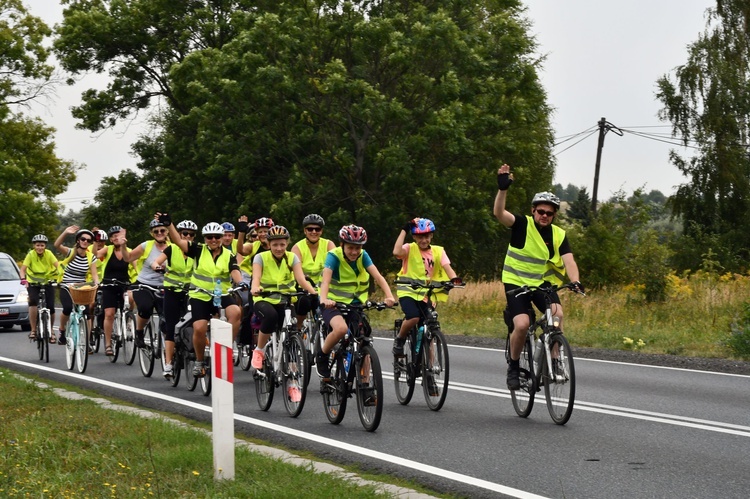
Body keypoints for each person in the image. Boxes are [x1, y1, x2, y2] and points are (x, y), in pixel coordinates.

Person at [493, 164, 583, 390]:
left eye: (549, 213)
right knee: (522, 325)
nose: (544, 216)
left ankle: (554, 360)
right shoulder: (522, 224)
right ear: (533, 210)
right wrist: (502, 190)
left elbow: (569, 260)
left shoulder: (558, 234)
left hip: (541, 283)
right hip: (516, 282)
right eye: (541, 212)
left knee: (557, 314)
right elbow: (499, 214)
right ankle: (514, 367)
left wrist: (575, 280)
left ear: (554, 215)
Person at [160, 215, 245, 378]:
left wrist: (241, 282)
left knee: (236, 312)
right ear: (205, 238)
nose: (213, 240)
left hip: (222, 293)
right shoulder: (198, 250)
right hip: (200, 294)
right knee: (199, 328)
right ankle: (199, 361)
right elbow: (178, 241)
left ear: (221, 238)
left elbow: (234, 270)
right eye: (209, 237)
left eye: (217, 237)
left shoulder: (228, 254)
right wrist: (169, 225)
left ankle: (227, 346)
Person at [316, 225, 396, 378]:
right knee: (340, 329)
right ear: (342, 245)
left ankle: (365, 385)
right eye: (350, 248)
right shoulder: (333, 256)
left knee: (364, 339)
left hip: (355, 303)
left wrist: (389, 296)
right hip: (333, 303)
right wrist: (324, 299)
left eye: (357, 248)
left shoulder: (363, 256)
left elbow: (378, 277)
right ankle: (322, 355)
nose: (354, 252)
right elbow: (325, 281)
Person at [250, 225, 318, 403]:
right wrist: (256, 287)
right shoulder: (260, 258)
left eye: (282, 244)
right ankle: (259, 351)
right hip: (264, 300)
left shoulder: (292, 258)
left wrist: (314, 293)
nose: (279, 248)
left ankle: (293, 384)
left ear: (287, 243)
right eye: (275, 245)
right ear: (269, 244)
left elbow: (301, 279)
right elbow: (256, 278)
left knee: (292, 340)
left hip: (286, 301)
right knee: (271, 318)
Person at [391, 217, 461, 358]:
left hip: (426, 293)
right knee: (413, 318)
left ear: (431, 236)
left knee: (429, 325)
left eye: (427, 236)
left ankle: (429, 368)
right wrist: (404, 229)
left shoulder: (438, 251)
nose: (424, 240)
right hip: (408, 291)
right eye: (420, 237)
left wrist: (454, 280)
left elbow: (447, 267)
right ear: (415, 237)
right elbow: (396, 252)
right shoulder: (409, 248)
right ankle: (400, 339)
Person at [150, 220, 196, 379]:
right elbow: (156, 261)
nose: (188, 237)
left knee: (197, 322)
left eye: (191, 234)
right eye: (184, 234)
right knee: (171, 326)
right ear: (179, 235)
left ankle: (199, 356)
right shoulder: (172, 249)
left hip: (191, 292)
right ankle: (168, 364)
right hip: (172, 292)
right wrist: (157, 266)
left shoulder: (197, 251)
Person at [121, 219, 169, 348]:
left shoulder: (173, 247)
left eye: (162, 230)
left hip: (164, 286)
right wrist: (123, 246)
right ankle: (139, 333)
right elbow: (128, 258)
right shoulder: (146, 246)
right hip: (144, 284)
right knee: (145, 308)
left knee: (167, 316)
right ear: (151, 233)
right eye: (156, 231)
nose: (159, 233)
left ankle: (169, 347)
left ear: (167, 231)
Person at [54, 226, 100, 346]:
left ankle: (88, 338)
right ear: (78, 240)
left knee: (87, 313)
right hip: (66, 285)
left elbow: (94, 275)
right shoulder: (70, 252)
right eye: (83, 239)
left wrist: (97, 284)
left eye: (88, 240)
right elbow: (57, 245)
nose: (85, 241)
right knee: (68, 308)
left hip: (81, 287)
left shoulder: (91, 257)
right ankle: (62, 330)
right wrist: (65, 232)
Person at [291, 213, 335, 327]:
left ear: (321, 231)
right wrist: (311, 290)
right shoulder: (297, 247)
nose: (314, 232)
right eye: (310, 229)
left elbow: (337, 267)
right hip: (303, 287)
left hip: (325, 287)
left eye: (317, 229)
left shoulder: (329, 245)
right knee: (303, 302)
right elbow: (297, 273)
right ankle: (298, 328)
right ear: (305, 231)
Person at [94, 226, 133, 356]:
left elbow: (137, 267)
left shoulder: (129, 251)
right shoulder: (108, 249)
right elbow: (95, 255)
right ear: (111, 239)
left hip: (124, 284)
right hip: (108, 284)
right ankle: (108, 344)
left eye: (119, 235)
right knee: (109, 314)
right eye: (114, 236)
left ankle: (128, 318)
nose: (117, 238)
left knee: (132, 296)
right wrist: (95, 241)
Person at [20, 234, 60, 341]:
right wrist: (23, 279)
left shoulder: (49, 254)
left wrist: (61, 277)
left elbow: (58, 266)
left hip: (48, 282)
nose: (40, 248)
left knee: (51, 307)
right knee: (33, 302)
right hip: (33, 283)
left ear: (45, 246)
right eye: (38, 245)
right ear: (34, 246)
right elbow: (23, 269)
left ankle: (51, 331)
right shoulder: (30, 255)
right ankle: (33, 330)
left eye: (42, 245)